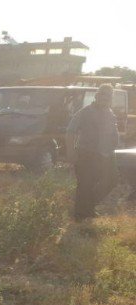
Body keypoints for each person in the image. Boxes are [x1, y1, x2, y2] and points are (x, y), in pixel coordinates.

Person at [65, 85, 120, 220]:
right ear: (97, 96)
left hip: (107, 154)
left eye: (108, 96)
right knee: (85, 184)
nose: (105, 98)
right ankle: (80, 217)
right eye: (103, 94)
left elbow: (113, 134)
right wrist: (71, 152)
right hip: (86, 153)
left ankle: (88, 206)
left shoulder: (110, 114)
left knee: (112, 180)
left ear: (111, 99)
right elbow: (70, 131)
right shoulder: (85, 112)